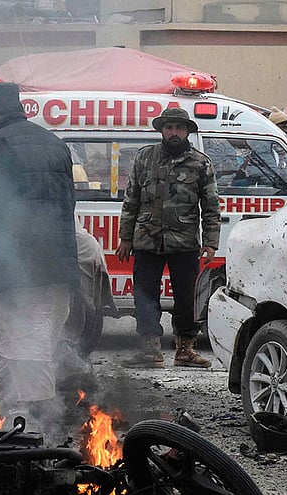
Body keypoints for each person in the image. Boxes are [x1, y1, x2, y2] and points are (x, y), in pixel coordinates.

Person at [0, 82, 78, 441]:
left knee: (20, 343)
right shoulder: (55, 144)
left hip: (16, 268)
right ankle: (8, 408)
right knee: (35, 341)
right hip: (57, 265)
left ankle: (28, 426)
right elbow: (66, 204)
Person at [117, 107, 220, 369]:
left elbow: (210, 206)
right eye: (169, 127)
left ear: (187, 132)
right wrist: (125, 238)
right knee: (145, 295)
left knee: (186, 298)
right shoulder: (144, 158)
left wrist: (210, 243)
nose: (174, 132)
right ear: (162, 130)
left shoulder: (201, 163)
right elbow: (131, 200)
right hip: (147, 240)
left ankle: (185, 349)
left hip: (184, 242)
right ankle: (150, 349)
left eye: (179, 128)